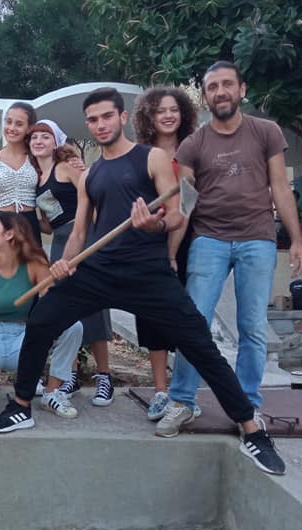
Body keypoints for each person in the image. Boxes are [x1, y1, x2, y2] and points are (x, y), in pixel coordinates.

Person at [0, 87, 285, 475]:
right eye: (93, 120)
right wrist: (64, 263)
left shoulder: (152, 157)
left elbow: (176, 215)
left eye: (106, 116)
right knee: (42, 319)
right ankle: (22, 406)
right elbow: (81, 231)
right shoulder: (92, 173)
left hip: (147, 273)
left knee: (198, 342)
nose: (100, 125)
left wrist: (153, 223)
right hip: (98, 270)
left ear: (122, 117)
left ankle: (250, 427)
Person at [157, 61, 302, 439]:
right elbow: (186, 204)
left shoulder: (266, 132)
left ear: (242, 90)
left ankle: (247, 404)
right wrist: (171, 252)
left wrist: (297, 240)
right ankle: (182, 401)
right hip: (209, 239)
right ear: (205, 97)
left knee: (252, 327)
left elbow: (280, 187)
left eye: (227, 84)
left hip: (258, 238)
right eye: (212, 87)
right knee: (194, 323)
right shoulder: (193, 145)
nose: (220, 92)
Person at [0, 211, 83, 416]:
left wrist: (59, 281)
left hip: (22, 337)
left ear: (9, 234)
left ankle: (52, 392)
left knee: (73, 326)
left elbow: (54, 309)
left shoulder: (35, 264)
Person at [30, 119, 116, 407]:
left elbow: (93, 196)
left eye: (45, 136)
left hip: (83, 237)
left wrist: (97, 236)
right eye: (34, 137)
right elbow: (48, 225)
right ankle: (70, 375)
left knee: (94, 307)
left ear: (56, 142)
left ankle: (104, 376)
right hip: (59, 243)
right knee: (65, 309)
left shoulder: (66, 168)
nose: (39, 141)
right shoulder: (36, 179)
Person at [131, 87, 200, 421]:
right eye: (160, 111)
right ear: (149, 116)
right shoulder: (141, 154)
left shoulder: (194, 152)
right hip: (149, 239)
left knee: (188, 315)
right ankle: (160, 391)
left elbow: (186, 206)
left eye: (174, 109)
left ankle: (184, 393)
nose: (168, 116)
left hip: (189, 239)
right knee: (152, 315)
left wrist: (172, 252)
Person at [0, 102, 41, 243]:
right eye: (8, 122)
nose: (12, 128)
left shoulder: (37, 157)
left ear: (29, 128)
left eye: (19, 124)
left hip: (29, 224)